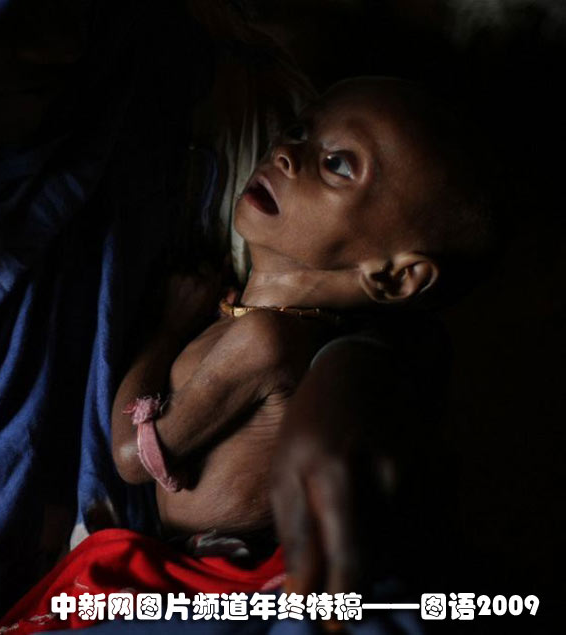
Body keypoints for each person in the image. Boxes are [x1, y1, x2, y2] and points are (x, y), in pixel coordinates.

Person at [111, 77, 495, 563]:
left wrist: (167, 330)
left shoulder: (265, 337)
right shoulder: (260, 322)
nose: (286, 154)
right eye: (297, 131)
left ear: (396, 276)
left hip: (219, 575)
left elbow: (131, 459)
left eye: (338, 165)